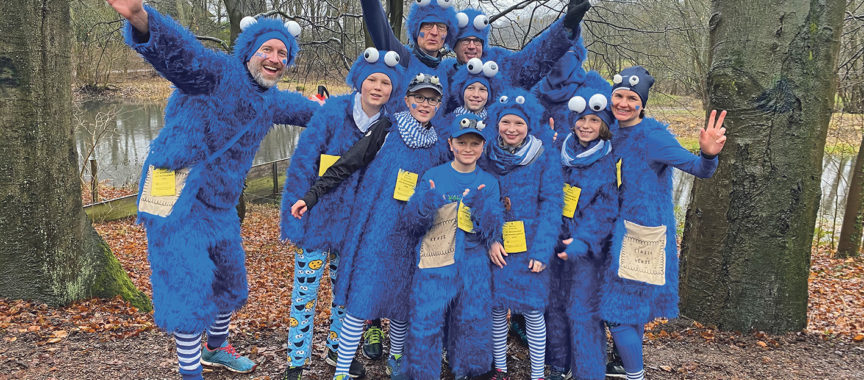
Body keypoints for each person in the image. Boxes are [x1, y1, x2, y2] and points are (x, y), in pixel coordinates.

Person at [105, 1, 319, 379]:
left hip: (220, 206)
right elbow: (182, 55)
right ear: (249, 52)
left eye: (282, 53)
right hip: (178, 198)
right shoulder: (217, 73)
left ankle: (216, 349)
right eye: (267, 49)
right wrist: (141, 18)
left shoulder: (270, 100)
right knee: (188, 288)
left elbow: (308, 113)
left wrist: (347, 109)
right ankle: (191, 372)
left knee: (229, 279)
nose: (274, 58)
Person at [290, 73, 449, 380]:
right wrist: (311, 196)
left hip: (411, 235)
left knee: (402, 298)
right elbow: (348, 163)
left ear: (439, 104)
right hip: (374, 232)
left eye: (431, 99)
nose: (424, 104)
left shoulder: (438, 147)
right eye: (419, 97)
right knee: (362, 298)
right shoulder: (387, 128)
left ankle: (397, 358)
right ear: (407, 99)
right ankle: (342, 369)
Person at [278, 48, 405, 380]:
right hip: (318, 219)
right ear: (360, 82)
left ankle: (337, 349)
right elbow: (304, 161)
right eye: (372, 80)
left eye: (385, 82)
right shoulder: (333, 112)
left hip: (355, 226)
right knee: (305, 292)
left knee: (343, 293)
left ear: (393, 89)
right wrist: (297, 210)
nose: (378, 87)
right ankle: (296, 360)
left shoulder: (391, 127)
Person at [599, 66, 727, 380]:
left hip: (641, 235)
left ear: (642, 103)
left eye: (632, 98)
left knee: (616, 314)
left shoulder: (654, 135)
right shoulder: (609, 130)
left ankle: (635, 375)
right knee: (631, 310)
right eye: (619, 96)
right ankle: (622, 364)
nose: (624, 103)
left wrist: (708, 154)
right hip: (611, 232)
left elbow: (700, 169)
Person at [401, 114, 503, 380]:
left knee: (473, 318)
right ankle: (421, 372)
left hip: (473, 259)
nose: (468, 149)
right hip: (436, 257)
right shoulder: (434, 176)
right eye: (462, 142)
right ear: (450, 144)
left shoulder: (489, 182)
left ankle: (472, 370)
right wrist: (426, 202)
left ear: (483, 147)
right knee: (426, 318)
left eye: (474, 143)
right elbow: (413, 222)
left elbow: (491, 227)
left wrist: (483, 212)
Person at [481, 90, 563, 380]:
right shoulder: (486, 154)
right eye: (506, 123)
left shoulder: (543, 156)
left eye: (519, 123)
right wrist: (490, 239)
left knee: (532, 311)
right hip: (499, 245)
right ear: (497, 124)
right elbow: (479, 201)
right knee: (497, 308)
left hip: (530, 245)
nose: (511, 129)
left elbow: (553, 204)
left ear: (529, 126)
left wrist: (542, 251)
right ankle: (500, 367)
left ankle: (537, 372)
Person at [547, 71, 619, 380]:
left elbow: (604, 209)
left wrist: (583, 241)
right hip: (555, 243)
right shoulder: (560, 151)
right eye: (581, 119)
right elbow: (547, 193)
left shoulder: (607, 160)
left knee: (582, 311)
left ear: (603, 125)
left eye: (593, 121)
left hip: (586, 251)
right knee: (555, 308)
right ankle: (558, 365)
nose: (586, 126)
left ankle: (588, 370)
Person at [444, 2, 591, 90]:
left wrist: (566, 27)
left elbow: (535, 57)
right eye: (465, 41)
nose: (471, 46)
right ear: (454, 46)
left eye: (477, 41)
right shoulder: (444, 74)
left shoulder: (501, 64)